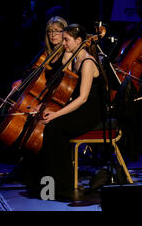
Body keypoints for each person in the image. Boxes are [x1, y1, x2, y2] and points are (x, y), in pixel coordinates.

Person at [25, 24, 108, 200]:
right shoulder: (75, 59)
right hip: (80, 108)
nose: (63, 43)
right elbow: (65, 91)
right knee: (49, 126)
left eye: (66, 40)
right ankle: (45, 183)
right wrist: (45, 107)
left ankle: (63, 186)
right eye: (63, 39)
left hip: (91, 112)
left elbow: (82, 98)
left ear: (79, 41)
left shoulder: (87, 62)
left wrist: (55, 114)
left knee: (54, 128)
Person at [11, 16, 69, 90]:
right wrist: (23, 80)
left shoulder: (67, 53)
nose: (53, 34)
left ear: (65, 33)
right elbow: (34, 71)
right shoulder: (46, 53)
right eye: (50, 31)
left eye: (57, 31)